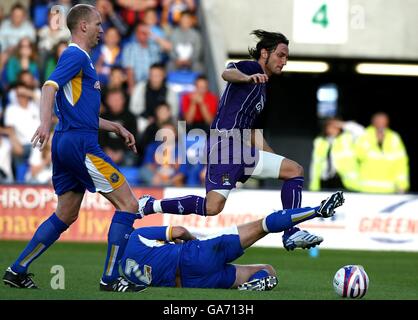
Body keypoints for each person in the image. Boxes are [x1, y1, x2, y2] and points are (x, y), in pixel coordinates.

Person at [2, 4, 145, 293]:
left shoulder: (84, 61)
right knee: (129, 204)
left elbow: (81, 111)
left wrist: (115, 126)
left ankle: (16, 270)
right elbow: (48, 87)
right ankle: (110, 279)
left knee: (66, 214)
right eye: (98, 24)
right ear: (83, 26)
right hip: (80, 144)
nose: (102, 30)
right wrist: (44, 123)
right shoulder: (75, 55)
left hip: (68, 142)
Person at [138, 30, 323, 251]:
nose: (284, 61)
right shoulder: (252, 68)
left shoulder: (263, 89)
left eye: (286, 57)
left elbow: (253, 133)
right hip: (224, 145)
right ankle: (150, 205)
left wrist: (275, 160)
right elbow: (228, 72)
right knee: (212, 206)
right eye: (281, 55)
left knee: (293, 171)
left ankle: (291, 232)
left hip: (240, 148)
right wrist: (247, 78)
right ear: (265, 53)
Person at [121, 191, 344, 290]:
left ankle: (252, 287)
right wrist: (191, 239)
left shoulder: (124, 271)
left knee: (268, 270)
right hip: (196, 256)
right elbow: (178, 231)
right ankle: (316, 210)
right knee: (263, 225)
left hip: (196, 284)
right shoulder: (137, 236)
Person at [355, 112, 409, 193]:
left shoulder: (394, 137)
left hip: (389, 189)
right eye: (378, 121)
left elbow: (401, 163)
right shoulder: (363, 135)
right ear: (373, 122)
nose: (381, 123)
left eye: (384, 121)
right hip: (366, 188)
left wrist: (402, 185)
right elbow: (358, 156)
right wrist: (375, 140)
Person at [309, 117, 364, 192]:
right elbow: (315, 164)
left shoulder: (347, 138)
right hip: (325, 179)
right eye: (330, 126)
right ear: (326, 128)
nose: (333, 129)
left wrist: (341, 124)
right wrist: (314, 185)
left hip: (346, 181)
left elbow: (360, 131)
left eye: (335, 126)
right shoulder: (320, 141)